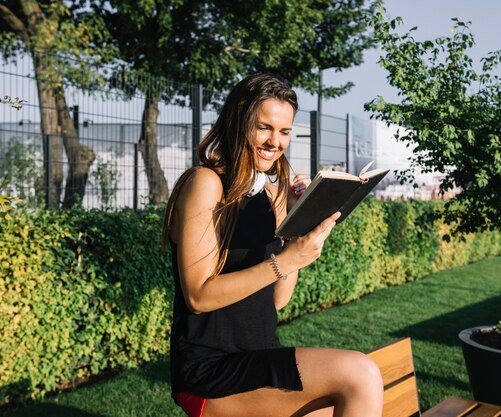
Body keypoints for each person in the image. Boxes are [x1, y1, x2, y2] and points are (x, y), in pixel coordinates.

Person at [161, 73, 383, 417]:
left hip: (260, 355)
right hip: (211, 370)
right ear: (238, 123)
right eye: (264, 128)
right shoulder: (206, 183)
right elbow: (198, 296)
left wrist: (296, 231)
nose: (274, 142)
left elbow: (277, 299)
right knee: (361, 373)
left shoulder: (271, 192)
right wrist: (286, 260)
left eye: (284, 132)